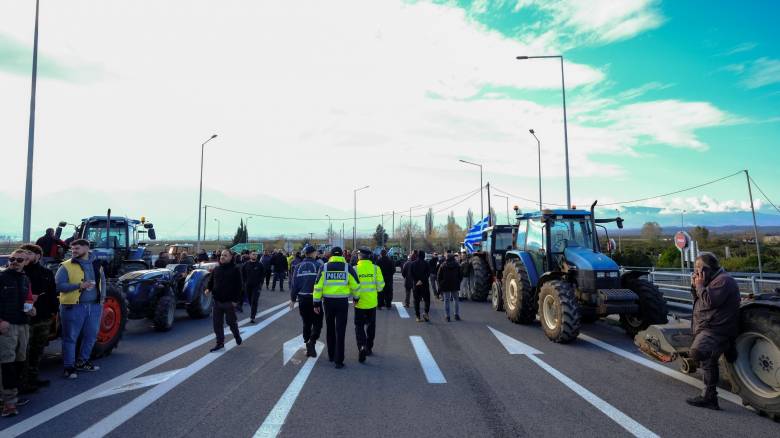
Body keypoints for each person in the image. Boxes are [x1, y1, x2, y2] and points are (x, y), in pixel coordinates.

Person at [686, 252, 740, 410]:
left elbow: (710, 301)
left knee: (698, 352)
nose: (696, 271)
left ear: (708, 268)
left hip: (716, 329)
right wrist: (695, 285)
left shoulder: (723, 281)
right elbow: (699, 300)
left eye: (699, 267)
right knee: (708, 361)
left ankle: (727, 344)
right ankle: (709, 398)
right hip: (708, 326)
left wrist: (700, 285)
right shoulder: (711, 279)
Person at [55, 239, 106, 379]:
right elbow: (58, 286)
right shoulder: (65, 266)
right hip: (73, 307)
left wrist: (102, 300)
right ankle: (69, 367)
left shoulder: (97, 264)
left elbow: (103, 282)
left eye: (77, 248)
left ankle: (82, 362)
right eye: (73, 249)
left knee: (91, 336)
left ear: (87, 248)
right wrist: (79, 286)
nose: (74, 251)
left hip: (94, 306)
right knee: (70, 338)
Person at [0, 249, 36, 417]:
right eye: (12, 258)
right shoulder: (1, 277)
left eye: (19, 259)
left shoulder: (25, 279)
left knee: (19, 362)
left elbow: (28, 299)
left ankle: (14, 394)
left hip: (23, 326)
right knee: (6, 363)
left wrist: (32, 309)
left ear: (26, 262)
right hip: (7, 327)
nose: (14, 261)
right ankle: (8, 403)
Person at [19, 244, 58, 393]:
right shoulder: (20, 273)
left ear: (38, 256)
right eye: (24, 253)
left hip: (43, 317)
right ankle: (22, 383)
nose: (26, 256)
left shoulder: (47, 273)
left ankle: (33, 378)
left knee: (38, 350)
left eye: (29, 253)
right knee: (24, 352)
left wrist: (53, 312)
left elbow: (52, 293)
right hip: (25, 319)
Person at [312, 247, 360, 369]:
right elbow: (356, 285)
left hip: (328, 302)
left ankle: (331, 355)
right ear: (342, 254)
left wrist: (316, 303)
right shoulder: (347, 267)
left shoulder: (325, 267)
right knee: (341, 331)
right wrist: (356, 298)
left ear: (331, 255)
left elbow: (318, 286)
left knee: (330, 329)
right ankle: (339, 360)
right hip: (342, 302)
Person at [205, 250, 243, 352]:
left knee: (231, 322)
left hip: (229, 302)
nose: (222, 257)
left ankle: (237, 335)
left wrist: (235, 301)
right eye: (222, 255)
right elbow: (211, 281)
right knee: (217, 324)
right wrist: (208, 289)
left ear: (231, 257)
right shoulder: (216, 269)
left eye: (225, 255)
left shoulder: (235, 269)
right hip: (217, 301)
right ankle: (220, 343)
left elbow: (239, 286)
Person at [290, 246, 323, 357]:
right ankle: (311, 342)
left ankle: (307, 344)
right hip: (315, 299)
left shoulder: (298, 267)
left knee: (306, 323)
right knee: (317, 323)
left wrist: (292, 299)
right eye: (315, 252)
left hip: (302, 299)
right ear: (313, 253)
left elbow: (295, 285)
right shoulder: (319, 266)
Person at [354, 248, 384, 362]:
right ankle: (369, 347)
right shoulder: (376, 269)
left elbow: (352, 286)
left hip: (359, 303)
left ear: (360, 256)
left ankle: (361, 346)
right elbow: (380, 287)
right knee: (371, 326)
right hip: (372, 303)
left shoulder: (355, 269)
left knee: (359, 326)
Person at [437, 251, 463, 322]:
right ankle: (456, 315)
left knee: (446, 301)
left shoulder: (443, 265)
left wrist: (441, 284)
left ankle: (447, 316)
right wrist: (458, 282)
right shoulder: (457, 265)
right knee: (456, 300)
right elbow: (461, 275)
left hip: (446, 285)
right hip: (455, 284)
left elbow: (439, 276)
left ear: (446, 258)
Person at [241, 251, 265, 323]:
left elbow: (262, 275)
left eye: (256, 255)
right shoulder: (246, 264)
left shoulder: (260, 265)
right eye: (253, 254)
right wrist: (244, 283)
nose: (255, 256)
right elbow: (243, 274)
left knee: (254, 300)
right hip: (248, 286)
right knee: (250, 300)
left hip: (257, 286)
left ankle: (252, 317)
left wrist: (261, 284)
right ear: (250, 255)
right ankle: (254, 310)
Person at [410, 250, 431, 322]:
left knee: (416, 301)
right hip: (424, 284)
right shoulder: (426, 263)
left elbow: (411, 274)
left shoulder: (413, 264)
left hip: (416, 284)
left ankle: (417, 316)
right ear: (424, 255)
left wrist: (417, 280)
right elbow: (428, 273)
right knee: (427, 300)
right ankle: (426, 312)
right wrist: (421, 280)